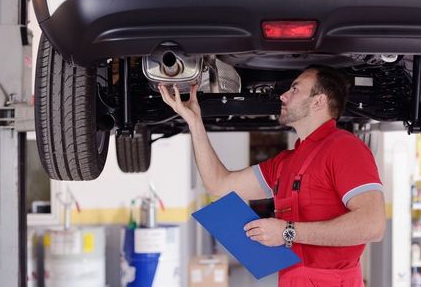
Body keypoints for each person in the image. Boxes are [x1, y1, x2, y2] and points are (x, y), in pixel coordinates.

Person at [158, 65, 386, 287]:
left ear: (319, 101)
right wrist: (195, 123)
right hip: (289, 279)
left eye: (295, 89)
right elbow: (219, 186)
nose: (283, 96)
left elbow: (372, 225)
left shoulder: (346, 148)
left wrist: (287, 232)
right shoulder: (284, 162)